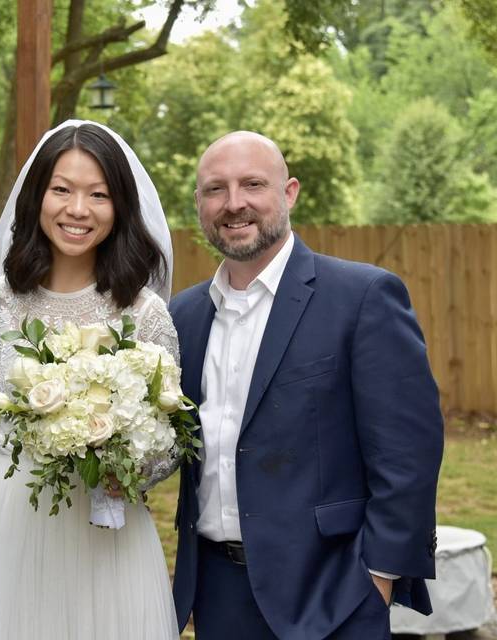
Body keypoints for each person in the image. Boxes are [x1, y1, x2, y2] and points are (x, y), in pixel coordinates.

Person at [169, 131, 444, 639]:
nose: (234, 204)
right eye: (215, 189)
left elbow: (409, 454)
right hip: (216, 592)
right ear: (199, 203)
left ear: (289, 192)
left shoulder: (362, 298)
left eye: (253, 184)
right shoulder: (182, 317)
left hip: (333, 593)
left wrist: (376, 579)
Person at [0, 120, 180, 640]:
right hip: (13, 518)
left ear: (120, 206)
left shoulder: (144, 313)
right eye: (61, 190)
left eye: (98, 194)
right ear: (37, 197)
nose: (78, 210)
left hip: (107, 527)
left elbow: (171, 437)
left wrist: (120, 465)